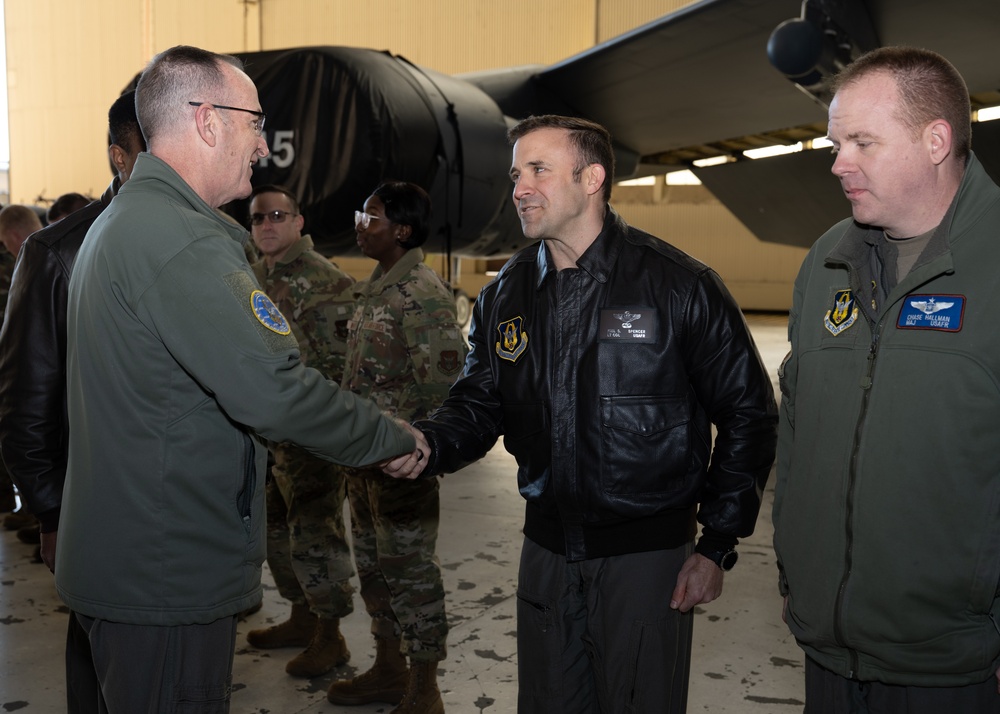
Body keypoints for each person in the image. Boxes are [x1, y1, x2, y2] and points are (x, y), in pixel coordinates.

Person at [57, 45, 416, 713]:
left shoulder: (125, 223)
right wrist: (388, 437)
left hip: (127, 555)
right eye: (255, 124)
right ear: (208, 122)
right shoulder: (182, 241)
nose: (262, 146)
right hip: (165, 570)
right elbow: (273, 390)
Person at [383, 115, 778, 713]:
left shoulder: (679, 286)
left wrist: (717, 542)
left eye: (538, 170)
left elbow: (749, 414)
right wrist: (430, 444)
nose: (518, 188)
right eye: (517, 174)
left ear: (591, 178)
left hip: (646, 560)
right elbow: (479, 400)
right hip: (544, 551)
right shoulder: (506, 294)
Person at [773, 46, 1000, 712]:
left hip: (952, 664)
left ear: (936, 141)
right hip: (828, 649)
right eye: (836, 143)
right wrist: (796, 569)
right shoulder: (827, 261)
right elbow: (797, 426)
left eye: (863, 142)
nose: (839, 163)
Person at [0, 90, 144, 714]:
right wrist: (51, 512)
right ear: (120, 156)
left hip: (171, 508)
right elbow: (27, 397)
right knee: (103, 660)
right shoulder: (57, 252)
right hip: (95, 502)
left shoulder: (204, 243)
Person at [327, 180, 467, 714]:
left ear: (402, 230)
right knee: (375, 567)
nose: (362, 223)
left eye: (374, 215)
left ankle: (424, 685)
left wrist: (413, 446)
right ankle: (389, 668)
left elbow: (445, 391)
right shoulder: (378, 285)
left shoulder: (422, 294)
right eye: (364, 213)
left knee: (410, 571)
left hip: (402, 465)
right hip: (362, 463)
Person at [244, 183, 359, 678]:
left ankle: (330, 637)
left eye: (276, 216)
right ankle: (300, 616)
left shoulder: (324, 281)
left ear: (298, 222)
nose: (266, 225)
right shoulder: (254, 277)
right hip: (268, 438)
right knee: (274, 536)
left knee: (316, 537)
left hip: (311, 438)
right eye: (257, 218)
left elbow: (340, 370)